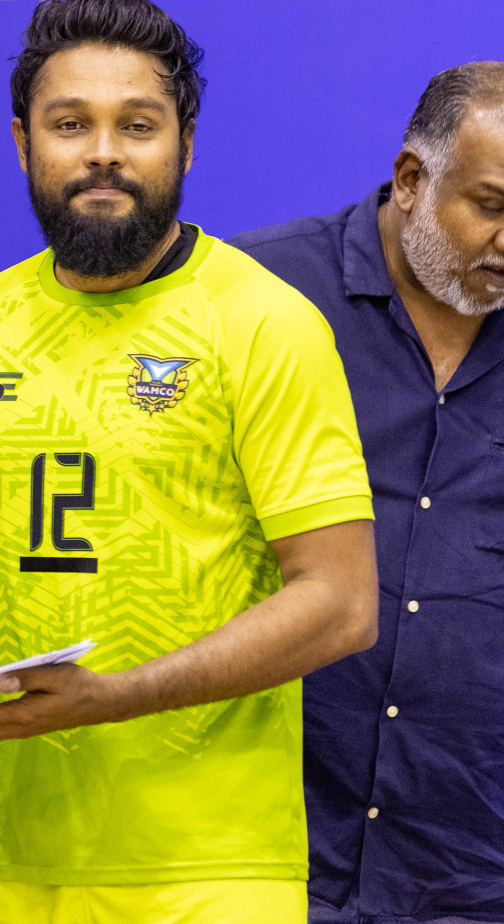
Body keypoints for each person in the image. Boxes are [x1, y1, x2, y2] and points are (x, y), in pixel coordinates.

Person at [0, 0, 379, 924]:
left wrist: (112, 698)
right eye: (70, 124)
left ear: (185, 144)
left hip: (216, 866)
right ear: (23, 144)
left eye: (137, 125)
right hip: (19, 852)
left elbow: (340, 605)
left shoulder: (264, 323)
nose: (103, 152)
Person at [231, 62, 504, 924]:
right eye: (493, 207)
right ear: (411, 179)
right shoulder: (253, 297)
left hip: (470, 870)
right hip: (258, 858)